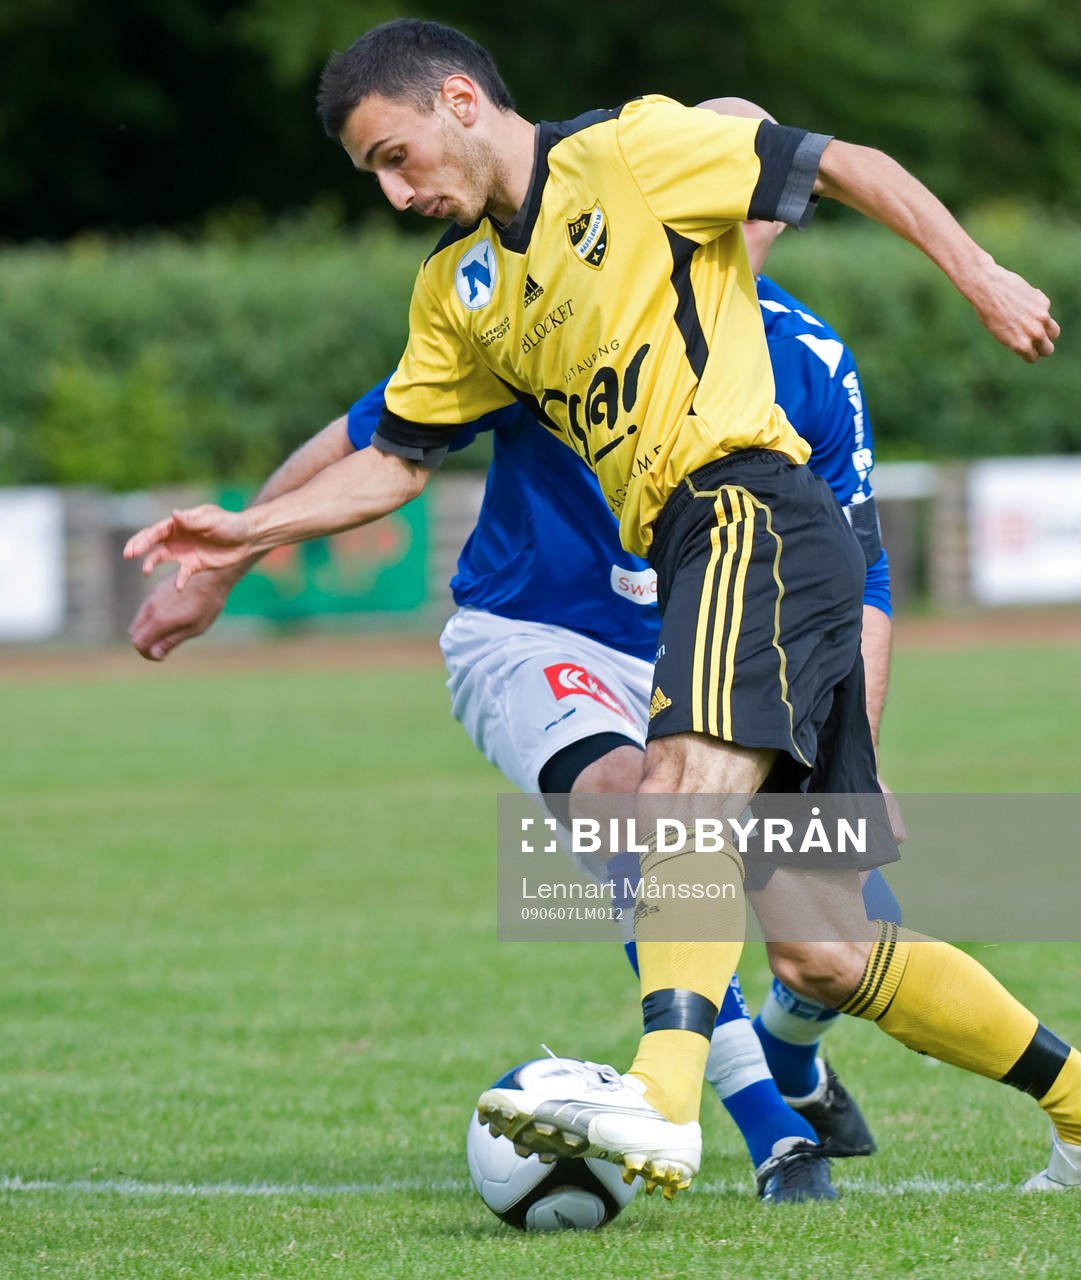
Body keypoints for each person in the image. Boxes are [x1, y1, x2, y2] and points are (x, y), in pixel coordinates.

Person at [125, 19, 1081, 1200]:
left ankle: (664, 1097)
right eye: (372, 171)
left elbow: (849, 162)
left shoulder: (630, 153)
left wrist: (981, 274)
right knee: (822, 947)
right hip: (686, 562)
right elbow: (388, 456)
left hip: (746, 513)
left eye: (394, 155)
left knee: (675, 789)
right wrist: (243, 535)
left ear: (460, 100)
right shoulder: (464, 290)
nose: (393, 189)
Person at [129, 188, 893, 1202]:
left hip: (711, 656)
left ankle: (794, 1062)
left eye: (741, 205)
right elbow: (372, 436)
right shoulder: (555, 308)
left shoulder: (811, 361)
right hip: (532, 635)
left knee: (824, 938)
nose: (710, 223)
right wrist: (231, 556)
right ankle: (768, 1128)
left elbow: (863, 577)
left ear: (775, 220)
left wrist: (854, 771)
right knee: (640, 819)